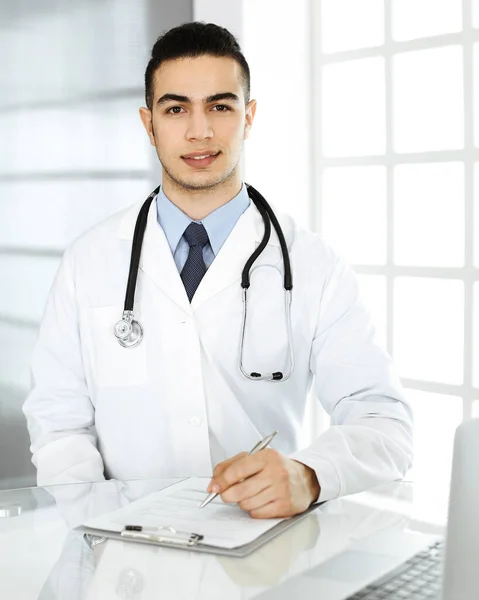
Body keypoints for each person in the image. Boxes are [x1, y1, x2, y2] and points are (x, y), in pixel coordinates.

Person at [23, 22, 413, 519]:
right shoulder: (88, 262)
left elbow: (384, 423)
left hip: (260, 553)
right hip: (122, 558)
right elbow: (58, 424)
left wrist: (310, 475)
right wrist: (94, 527)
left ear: (248, 117)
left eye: (221, 107)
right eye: (176, 108)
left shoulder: (315, 266)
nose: (199, 131)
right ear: (149, 124)